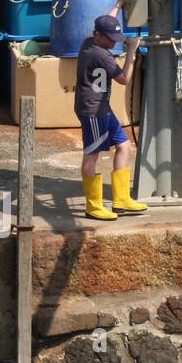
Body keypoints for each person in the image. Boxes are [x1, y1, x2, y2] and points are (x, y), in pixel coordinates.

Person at [75, 12, 147, 221]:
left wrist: (118, 4)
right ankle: (93, 206)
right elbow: (124, 79)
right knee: (92, 154)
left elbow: (105, 20)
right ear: (97, 35)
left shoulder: (88, 41)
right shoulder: (101, 54)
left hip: (103, 107)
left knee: (124, 146)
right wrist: (132, 52)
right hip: (93, 110)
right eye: (109, 39)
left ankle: (121, 199)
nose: (113, 43)